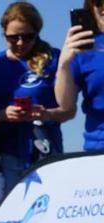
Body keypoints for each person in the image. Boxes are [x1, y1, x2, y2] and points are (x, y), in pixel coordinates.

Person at [0, 2, 69, 192]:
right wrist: (2, 115)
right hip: (3, 155)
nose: (20, 43)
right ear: (3, 33)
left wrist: (45, 114)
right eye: (13, 38)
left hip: (44, 151)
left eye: (28, 37)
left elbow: (68, 111)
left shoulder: (54, 60)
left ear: (37, 33)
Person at [55, 0, 104, 151]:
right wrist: (64, 64)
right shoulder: (83, 49)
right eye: (98, 2)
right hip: (98, 150)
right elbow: (66, 105)